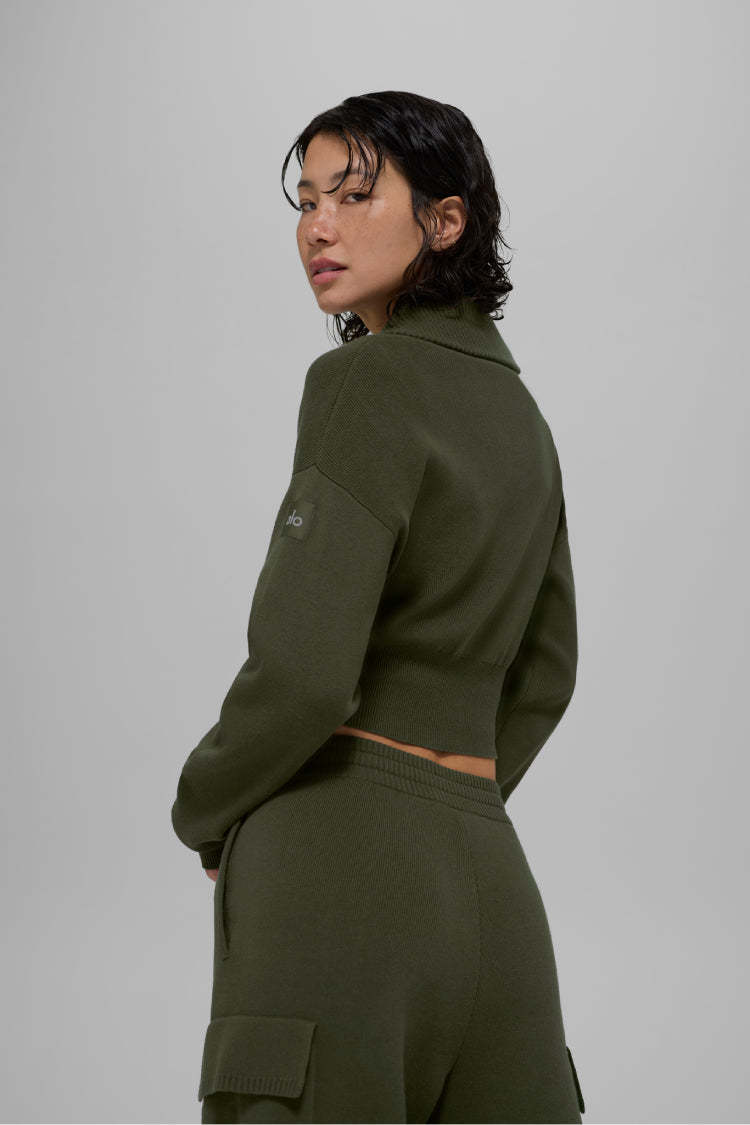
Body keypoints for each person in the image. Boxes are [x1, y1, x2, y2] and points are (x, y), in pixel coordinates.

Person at [171, 90, 586, 1124]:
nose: (319, 226)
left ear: (445, 220)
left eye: (355, 195)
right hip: (493, 880)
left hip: (336, 861)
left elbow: (304, 672)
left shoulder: (361, 383)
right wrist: (451, 796)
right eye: (307, 200)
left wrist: (205, 808)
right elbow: (546, 674)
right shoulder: (523, 417)